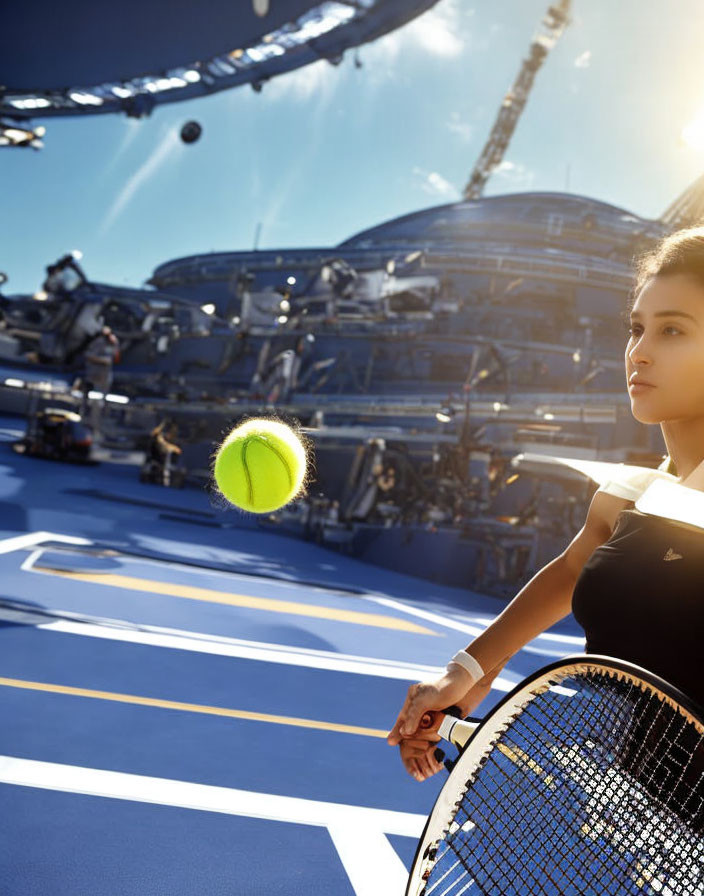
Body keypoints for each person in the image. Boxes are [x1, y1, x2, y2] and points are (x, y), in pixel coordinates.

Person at [388, 225, 704, 782]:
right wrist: (468, 673)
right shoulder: (636, 496)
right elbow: (574, 568)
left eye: (673, 330)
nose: (641, 353)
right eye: (636, 329)